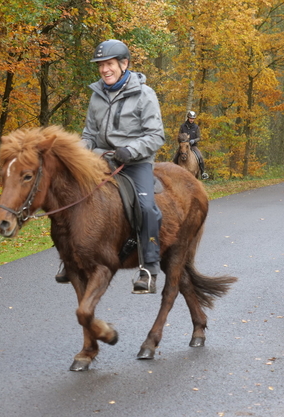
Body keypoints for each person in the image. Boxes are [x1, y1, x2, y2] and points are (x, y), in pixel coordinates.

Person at [56, 39, 165, 294]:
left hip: (134, 162)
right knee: (68, 192)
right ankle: (70, 257)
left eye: (109, 64)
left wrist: (131, 150)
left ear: (123, 64)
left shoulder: (144, 95)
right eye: (101, 65)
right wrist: (77, 153)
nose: (105, 70)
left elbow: (156, 135)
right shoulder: (96, 96)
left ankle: (148, 267)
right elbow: (89, 134)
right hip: (99, 159)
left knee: (147, 207)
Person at [173, 110, 209, 179]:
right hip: (183, 146)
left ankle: (203, 172)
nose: (191, 120)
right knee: (175, 157)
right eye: (190, 118)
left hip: (193, 146)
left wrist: (194, 140)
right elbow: (179, 136)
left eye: (193, 119)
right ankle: (173, 172)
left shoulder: (196, 127)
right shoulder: (182, 126)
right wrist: (182, 142)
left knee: (200, 157)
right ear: (188, 118)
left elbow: (199, 137)